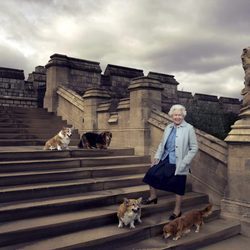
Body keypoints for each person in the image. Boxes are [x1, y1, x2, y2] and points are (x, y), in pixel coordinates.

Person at [142, 104, 198, 220]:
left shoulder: (189, 128)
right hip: (166, 157)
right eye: (175, 115)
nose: (177, 117)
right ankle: (153, 196)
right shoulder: (168, 127)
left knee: (178, 185)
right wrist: (157, 157)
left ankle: (177, 210)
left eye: (180, 115)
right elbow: (162, 144)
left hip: (179, 162)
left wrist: (185, 162)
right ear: (172, 116)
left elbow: (194, 147)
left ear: (183, 116)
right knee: (151, 174)